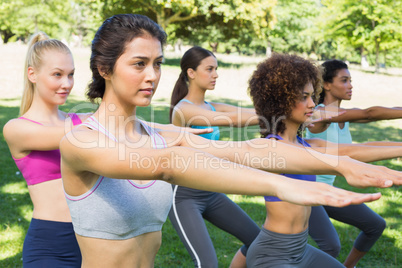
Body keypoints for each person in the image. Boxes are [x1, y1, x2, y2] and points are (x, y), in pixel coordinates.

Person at [59, 14, 402, 268]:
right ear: (104, 69)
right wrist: (283, 186)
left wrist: (339, 162)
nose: (152, 76)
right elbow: (168, 164)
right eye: (139, 64)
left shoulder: (158, 132)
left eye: (158, 63)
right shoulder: (81, 141)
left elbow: (245, 149)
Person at [246, 53, 402, 267]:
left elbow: (358, 150)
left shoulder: (307, 144)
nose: (312, 104)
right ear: (280, 101)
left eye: (312, 95)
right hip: (273, 255)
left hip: (301, 250)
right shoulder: (273, 147)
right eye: (303, 97)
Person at [168, 46, 259, 268]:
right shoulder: (184, 110)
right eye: (209, 69)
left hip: (210, 191)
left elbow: (250, 113)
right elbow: (230, 120)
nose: (216, 74)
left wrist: (287, 111)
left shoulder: (210, 105)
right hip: (184, 196)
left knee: (258, 241)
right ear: (191, 73)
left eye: (216, 69)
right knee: (207, 263)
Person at [306, 59, 402, 267]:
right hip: (306, 189)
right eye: (345, 80)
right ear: (327, 84)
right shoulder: (319, 114)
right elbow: (369, 114)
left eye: (351, 80)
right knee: (330, 246)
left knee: (375, 225)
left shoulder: (343, 118)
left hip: (326, 191)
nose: (350, 85)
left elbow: (361, 149)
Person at [2, 32, 85, 267]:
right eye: (57, 75)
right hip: (51, 245)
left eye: (70, 75)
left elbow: (124, 124)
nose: (66, 84)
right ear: (32, 74)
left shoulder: (79, 121)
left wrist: (174, 130)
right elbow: (90, 131)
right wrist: (106, 124)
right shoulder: (17, 129)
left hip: (95, 240)